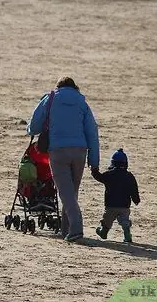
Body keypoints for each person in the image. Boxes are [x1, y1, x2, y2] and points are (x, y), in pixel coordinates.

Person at [27, 76, 99, 242]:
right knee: (71, 192)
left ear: (58, 87)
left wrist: (30, 130)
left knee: (66, 193)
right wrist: (94, 162)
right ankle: (65, 229)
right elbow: (92, 133)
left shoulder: (51, 98)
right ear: (75, 88)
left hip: (58, 151)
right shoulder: (82, 103)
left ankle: (76, 229)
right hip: (80, 152)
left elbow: (35, 124)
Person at [91, 148, 140, 243]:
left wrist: (94, 170)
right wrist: (136, 199)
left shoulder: (109, 174)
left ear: (112, 163)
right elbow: (134, 189)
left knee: (107, 221)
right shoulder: (129, 176)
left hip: (111, 205)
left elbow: (99, 177)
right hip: (125, 206)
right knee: (124, 221)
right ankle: (127, 234)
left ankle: (103, 232)